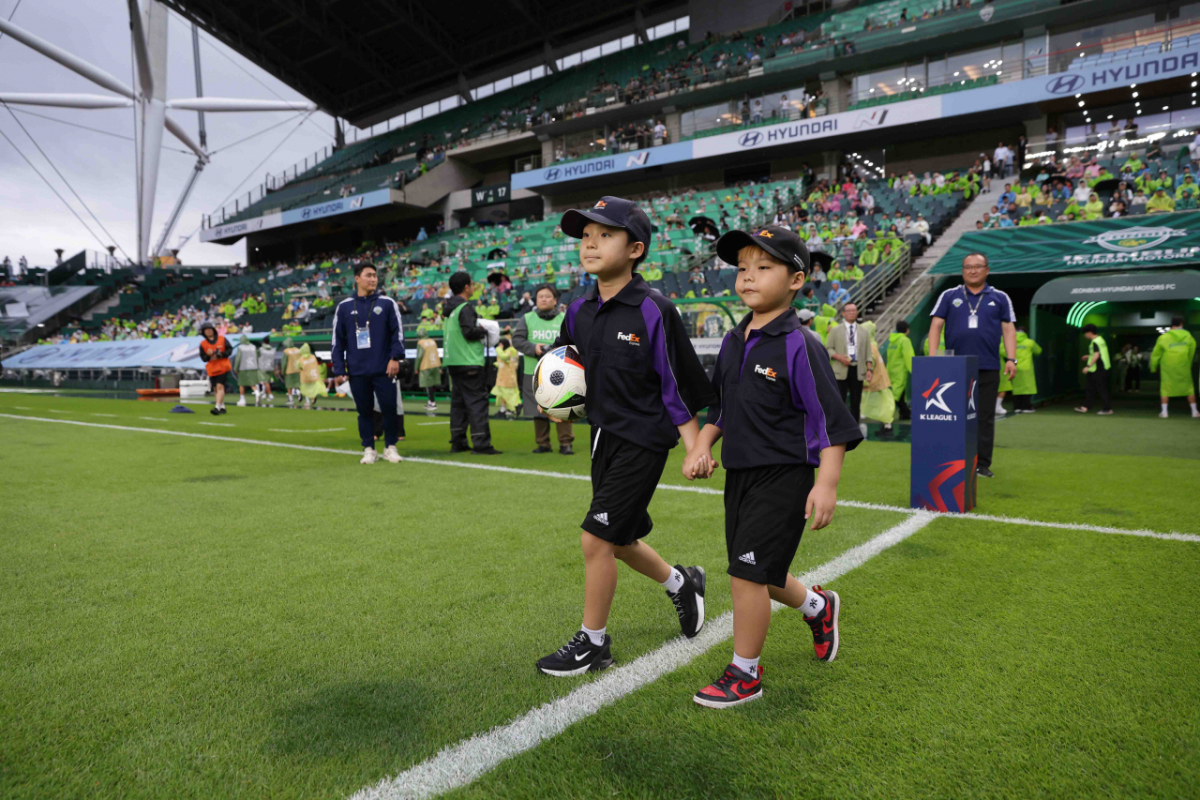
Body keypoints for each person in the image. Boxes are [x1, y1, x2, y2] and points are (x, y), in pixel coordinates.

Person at [535, 195, 715, 676]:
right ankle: (683, 583)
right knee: (618, 539)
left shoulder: (655, 310)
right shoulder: (579, 310)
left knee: (595, 539)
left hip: (645, 439)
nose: (590, 243)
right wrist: (555, 403)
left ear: (635, 249)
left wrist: (697, 447)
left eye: (605, 235)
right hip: (602, 437)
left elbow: (678, 387)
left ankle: (593, 643)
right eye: (585, 236)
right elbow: (561, 367)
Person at [682, 225, 861, 708]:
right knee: (759, 569)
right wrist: (701, 446)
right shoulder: (733, 341)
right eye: (742, 268)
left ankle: (746, 675)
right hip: (740, 473)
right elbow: (719, 409)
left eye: (764, 267)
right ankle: (817, 607)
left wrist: (826, 484)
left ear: (796, 279)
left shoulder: (801, 344)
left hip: (786, 473)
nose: (748, 277)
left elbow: (832, 425)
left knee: (746, 574)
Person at [928, 253, 1017, 479]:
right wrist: (932, 358)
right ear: (962, 271)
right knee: (953, 416)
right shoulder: (949, 295)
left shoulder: (1000, 297)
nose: (973, 270)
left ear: (987, 270)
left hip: (987, 366)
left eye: (978, 267)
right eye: (968, 267)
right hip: (954, 367)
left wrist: (1011, 358)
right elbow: (936, 325)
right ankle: (954, 460)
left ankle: (982, 464)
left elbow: (1008, 329)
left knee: (984, 417)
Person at [330, 262, 406, 465]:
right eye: (368, 275)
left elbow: (397, 334)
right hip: (357, 369)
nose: (373, 279)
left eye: (375, 275)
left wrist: (395, 357)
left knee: (389, 408)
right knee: (364, 411)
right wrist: (339, 368)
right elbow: (338, 340)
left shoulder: (387, 303)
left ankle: (390, 447)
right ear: (357, 278)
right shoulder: (344, 307)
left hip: (384, 367)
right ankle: (368, 449)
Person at [442, 271, 502, 454]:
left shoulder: (449, 310)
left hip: (453, 361)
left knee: (459, 403)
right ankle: (481, 443)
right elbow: (469, 331)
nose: (475, 286)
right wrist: (483, 331)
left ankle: (458, 441)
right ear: (466, 287)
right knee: (477, 402)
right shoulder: (465, 308)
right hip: (469, 361)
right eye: (472, 284)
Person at [513, 283, 574, 455]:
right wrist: (534, 348)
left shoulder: (565, 318)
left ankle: (565, 443)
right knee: (537, 410)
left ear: (555, 300)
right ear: (536, 300)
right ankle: (543, 443)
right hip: (534, 372)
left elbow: (575, 340)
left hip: (561, 372)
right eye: (540, 296)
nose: (544, 299)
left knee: (562, 408)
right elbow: (517, 340)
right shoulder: (526, 318)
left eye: (548, 296)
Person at [825, 301, 874, 423]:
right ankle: (840, 427)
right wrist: (839, 357)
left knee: (856, 401)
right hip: (840, 369)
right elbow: (828, 348)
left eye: (854, 310)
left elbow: (869, 353)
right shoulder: (835, 330)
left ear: (857, 312)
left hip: (858, 369)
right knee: (839, 400)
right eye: (849, 311)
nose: (852, 313)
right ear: (843, 314)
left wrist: (869, 369)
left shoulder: (864, 331)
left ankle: (854, 428)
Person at [1150, 316, 1198, 418]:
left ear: (1172, 324)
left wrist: (1153, 367)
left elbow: (1156, 354)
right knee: (1189, 388)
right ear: (1182, 324)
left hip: (1167, 367)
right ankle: (1194, 411)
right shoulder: (1188, 336)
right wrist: (1188, 363)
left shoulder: (1163, 337)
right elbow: (1192, 350)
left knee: (1165, 388)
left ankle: (1164, 412)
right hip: (1183, 365)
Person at [1075, 323, 1113, 415]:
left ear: (1089, 332)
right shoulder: (1100, 340)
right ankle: (1086, 406)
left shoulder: (1095, 341)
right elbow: (1098, 353)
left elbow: (1097, 354)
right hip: (1100, 367)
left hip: (1098, 367)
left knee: (1101, 388)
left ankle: (1107, 409)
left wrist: (1088, 366)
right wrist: (1089, 356)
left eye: (1085, 333)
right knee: (1090, 387)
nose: (1085, 335)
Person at [198, 322, 232, 416]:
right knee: (215, 389)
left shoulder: (222, 339)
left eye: (210, 329)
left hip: (223, 366)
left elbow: (229, 350)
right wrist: (208, 355)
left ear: (213, 330)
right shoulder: (203, 344)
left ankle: (217, 407)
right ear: (203, 333)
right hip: (212, 369)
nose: (208, 331)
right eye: (206, 330)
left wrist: (221, 354)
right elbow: (203, 358)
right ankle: (222, 406)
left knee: (220, 386)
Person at [886, 320, 915, 420]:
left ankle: (904, 413)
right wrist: (915, 370)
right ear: (907, 330)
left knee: (899, 393)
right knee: (896, 396)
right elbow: (909, 357)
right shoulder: (904, 340)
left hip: (890, 371)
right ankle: (887, 419)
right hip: (900, 372)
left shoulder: (892, 341)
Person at [1009, 326, 1042, 413]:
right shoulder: (1030, 342)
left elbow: (1005, 352)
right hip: (1026, 368)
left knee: (1016, 388)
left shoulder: (1012, 342)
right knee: (1027, 388)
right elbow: (1038, 351)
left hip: (1015, 366)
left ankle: (1017, 407)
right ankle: (1026, 407)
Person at [491, 337, 521, 419]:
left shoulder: (510, 350)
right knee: (504, 395)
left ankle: (514, 406)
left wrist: (498, 349)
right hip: (504, 377)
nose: (500, 346)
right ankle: (505, 410)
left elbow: (505, 357)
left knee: (508, 395)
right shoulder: (510, 350)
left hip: (508, 378)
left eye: (501, 344)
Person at [415, 325, 442, 411]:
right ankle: (430, 402)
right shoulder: (433, 341)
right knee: (432, 385)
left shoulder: (421, 343)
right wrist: (440, 366)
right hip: (435, 365)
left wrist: (416, 368)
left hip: (426, 366)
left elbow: (419, 356)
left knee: (427, 385)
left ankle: (433, 403)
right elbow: (436, 353)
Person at [232, 335, 260, 407]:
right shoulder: (253, 347)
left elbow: (238, 358)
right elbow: (257, 356)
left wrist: (235, 368)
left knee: (242, 384)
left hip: (243, 367)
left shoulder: (241, 347)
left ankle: (242, 400)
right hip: (253, 367)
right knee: (252, 383)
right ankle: (257, 392)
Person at [297, 343, 323, 409]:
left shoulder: (301, 358)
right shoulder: (312, 357)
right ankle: (312, 398)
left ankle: (306, 400)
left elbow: (299, 366)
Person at [281, 336, 303, 407]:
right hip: (297, 370)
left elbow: (284, 362)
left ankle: (291, 399)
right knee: (296, 384)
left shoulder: (286, 351)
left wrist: (283, 371)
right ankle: (298, 392)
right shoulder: (298, 350)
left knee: (289, 385)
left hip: (289, 370)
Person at [257, 337, 276, 404]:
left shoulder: (260, 349)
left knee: (265, 382)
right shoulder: (273, 350)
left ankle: (270, 395)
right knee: (267, 381)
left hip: (263, 367)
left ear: (263, 342)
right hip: (270, 367)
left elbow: (256, 356)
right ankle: (264, 395)